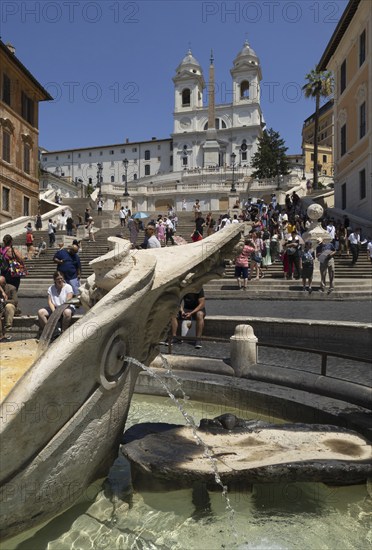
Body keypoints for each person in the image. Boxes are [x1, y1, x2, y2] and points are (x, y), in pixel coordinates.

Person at [0, 275, 18, 341]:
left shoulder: (12, 288)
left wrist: (5, 301)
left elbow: (15, 301)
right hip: (1, 308)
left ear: (4, 283)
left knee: (9, 306)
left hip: (10, 308)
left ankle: (8, 329)